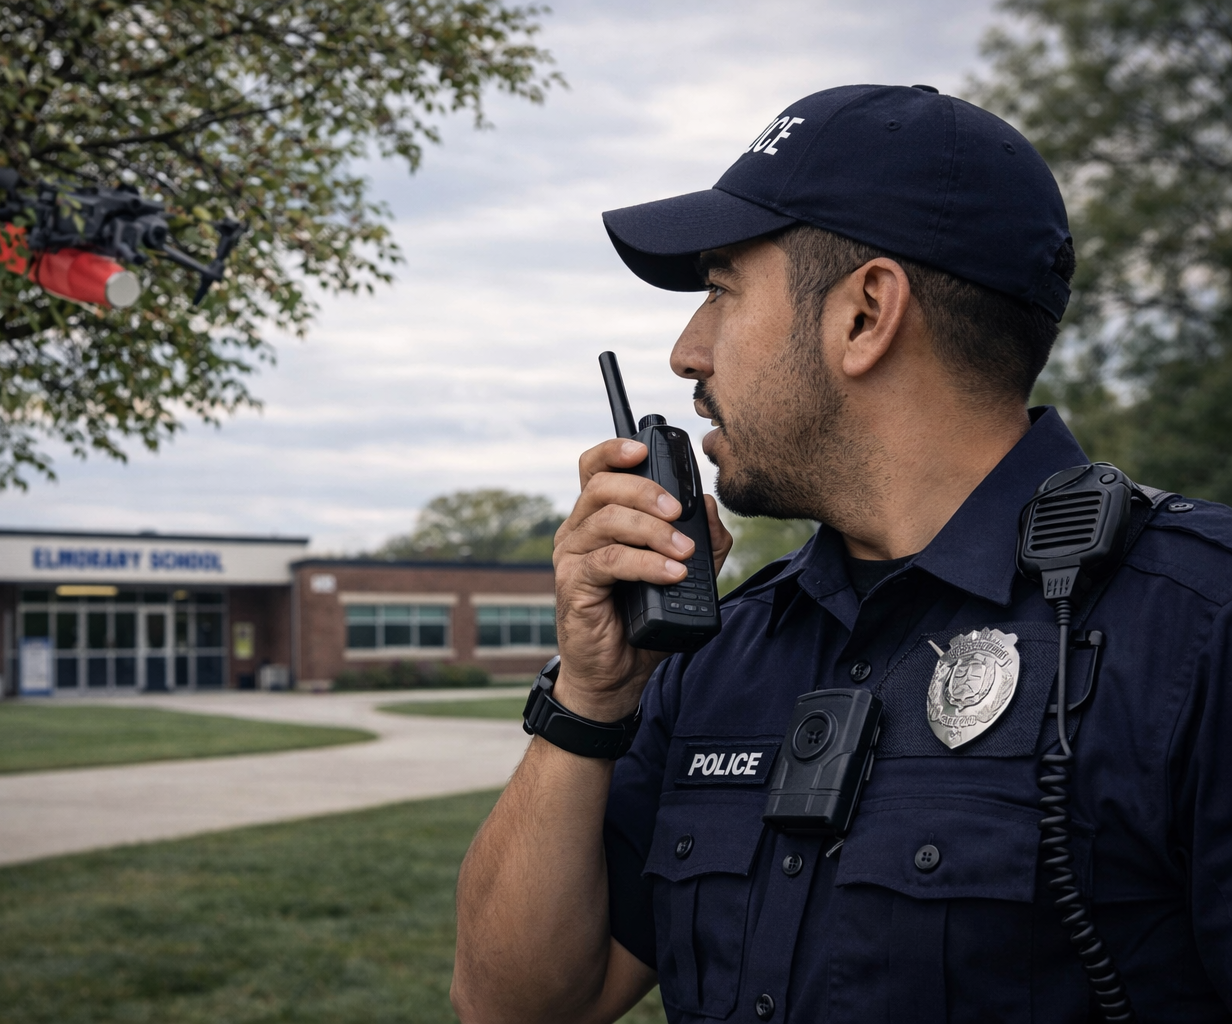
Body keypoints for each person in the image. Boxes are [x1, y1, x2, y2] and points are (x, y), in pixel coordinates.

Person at [451, 84, 1232, 1024]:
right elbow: (516, 1009)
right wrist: (589, 702)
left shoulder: (1201, 625)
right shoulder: (716, 656)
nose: (685, 352)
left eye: (721, 289)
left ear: (865, 313)